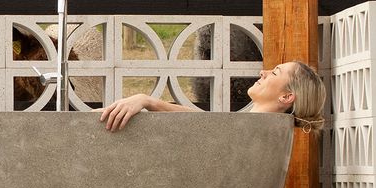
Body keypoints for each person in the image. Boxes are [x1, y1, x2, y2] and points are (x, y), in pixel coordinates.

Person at [99, 60, 326, 132]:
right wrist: (146, 101)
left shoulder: (258, 132)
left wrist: (147, 100)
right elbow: (209, 124)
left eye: (275, 72)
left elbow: (207, 125)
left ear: (287, 97)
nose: (263, 72)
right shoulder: (254, 128)